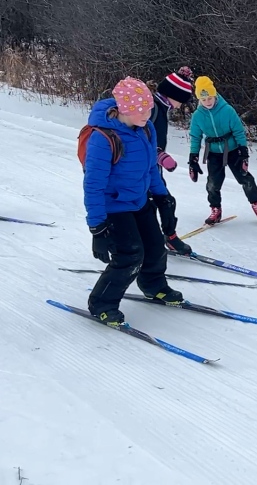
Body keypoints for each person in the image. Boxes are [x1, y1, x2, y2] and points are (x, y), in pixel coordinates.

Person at [83, 77, 183, 326]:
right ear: (124, 109)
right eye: (140, 110)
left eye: (149, 109)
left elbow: (150, 169)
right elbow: (93, 185)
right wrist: (97, 227)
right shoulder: (103, 138)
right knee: (130, 255)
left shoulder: (145, 129)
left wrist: (162, 196)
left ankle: (154, 286)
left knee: (156, 247)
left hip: (139, 201)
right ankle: (102, 303)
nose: (147, 114)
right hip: (114, 208)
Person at [187, 76, 257, 227]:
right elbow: (195, 137)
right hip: (213, 152)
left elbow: (238, 131)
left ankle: (256, 204)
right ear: (199, 99)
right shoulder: (197, 116)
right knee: (212, 184)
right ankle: (215, 209)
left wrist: (243, 151)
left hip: (232, 150)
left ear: (214, 94)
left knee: (245, 179)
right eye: (203, 100)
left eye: (210, 98)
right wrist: (193, 158)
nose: (207, 102)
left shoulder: (227, 110)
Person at [151, 66, 195, 254]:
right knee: (155, 203)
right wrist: (159, 155)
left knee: (166, 201)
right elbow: (138, 139)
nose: (181, 105)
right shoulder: (151, 108)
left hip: (153, 169)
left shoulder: (159, 107)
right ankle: (153, 240)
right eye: (182, 100)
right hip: (141, 169)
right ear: (172, 94)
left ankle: (169, 237)